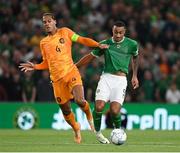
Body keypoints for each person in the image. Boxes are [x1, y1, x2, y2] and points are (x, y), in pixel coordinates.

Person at [19, 13, 108, 144]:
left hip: (71, 72)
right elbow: (46, 63)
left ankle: (90, 119)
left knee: (80, 100)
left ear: (55, 21)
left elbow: (82, 39)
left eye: (49, 21)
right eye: (44, 22)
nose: (47, 24)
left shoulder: (65, 32)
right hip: (56, 80)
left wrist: (97, 45)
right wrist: (36, 66)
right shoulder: (43, 43)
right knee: (65, 109)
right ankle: (76, 128)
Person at [76, 21, 139, 144]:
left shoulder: (132, 44)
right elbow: (90, 56)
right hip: (106, 78)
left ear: (124, 32)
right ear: (112, 31)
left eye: (121, 32)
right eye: (116, 32)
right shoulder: (105, 44)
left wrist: (135, 76)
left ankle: (117, 131)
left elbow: (135, 57)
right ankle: (98, 133)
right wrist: (76, 66)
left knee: (115, 111)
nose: (118, 35)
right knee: (99, 107)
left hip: (121, 81)